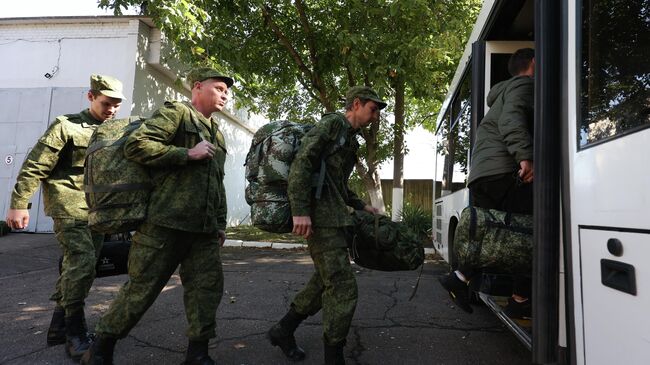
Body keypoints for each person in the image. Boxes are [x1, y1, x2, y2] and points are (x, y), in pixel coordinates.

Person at [80, 67, 233, 365]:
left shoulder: (218, 133)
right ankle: (100, 349)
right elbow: (137, 145)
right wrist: (186, 154)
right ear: (198, 88)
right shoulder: (177, 113)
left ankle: (198, 354)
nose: (225, 95)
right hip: (164, 223)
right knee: (141, 290)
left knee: (207, 290)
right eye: (219, 88)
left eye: (227, 92)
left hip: (202, 231)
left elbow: (217, 182)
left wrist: (220, 224)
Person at [5, 74, 125, 360]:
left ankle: (58, 328)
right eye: (106, 103)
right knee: (82, 262)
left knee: (83, 265)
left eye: (116, 105)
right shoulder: (66, 126)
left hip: (99, 209)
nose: (111, 109)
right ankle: (75, 333)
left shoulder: (116, 131)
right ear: (91, 96)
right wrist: (19, 203)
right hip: (68, 205)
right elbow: (35, 165)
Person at [267, 86, 386, 365]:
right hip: (320, 220)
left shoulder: (350, 139)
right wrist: (300, 211)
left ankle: (283, 330)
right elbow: (302, 162)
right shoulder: (333, 124)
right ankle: (334, 358)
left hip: (335, 219)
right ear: (356, 104)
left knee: (324, 281)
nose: (376, 115)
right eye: (373, 109)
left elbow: (338, 184)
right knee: (343, 286)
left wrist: (362, 206)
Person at [438, 48, 535, 318]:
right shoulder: (525, 85)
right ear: (535, 63)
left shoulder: (502, 92)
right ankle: (519, 299)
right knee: (529, 232)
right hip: (502, 171)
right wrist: (525, 156)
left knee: (491, 234)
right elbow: (511, 119)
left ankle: (459, 278)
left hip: (481, 174)